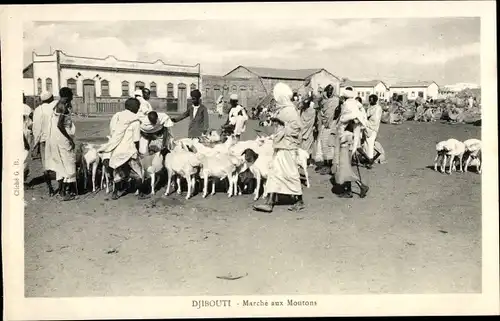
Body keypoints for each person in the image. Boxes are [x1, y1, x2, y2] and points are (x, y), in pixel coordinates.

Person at [253, 82, 305, 213]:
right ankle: (269, 201)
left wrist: (281, 123)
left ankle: (299, 200)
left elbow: (296, 128)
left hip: (287, 147)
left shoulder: (290, 110)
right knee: (274, 173)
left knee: (291, 173)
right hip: (281, 146)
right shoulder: (283, 110)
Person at [98, 98, 143, 200]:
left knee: (118, 172)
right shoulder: (135, 121)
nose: (138, 109)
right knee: (139, 173)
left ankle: (115, 192)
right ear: (134, 107)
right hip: (129, 150)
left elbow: (113, 132)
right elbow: (136, 140)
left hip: (117, 149)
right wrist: (138, 151)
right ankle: (140, 193)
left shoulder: (117, 116)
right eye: (137, 107)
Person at [332, 87, 369, 198]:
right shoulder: (356, 106)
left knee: (344, 166)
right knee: (345, 165)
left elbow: (346, 121)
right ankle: (348, 189)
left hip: (345, 139)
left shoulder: (348, 108)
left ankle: (359, 186)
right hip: (349, 139)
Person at [44, 87, 77, 201]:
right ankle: (64, 192)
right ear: (68, 96)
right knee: (68, 163)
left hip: (56, 138)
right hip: (63, 138)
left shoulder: (58, 104)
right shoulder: (63, 107)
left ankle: (62, 190)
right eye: (71, 96)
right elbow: (60, 125)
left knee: (61, 164)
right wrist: (70, 139)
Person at [31, 91, 58, 194]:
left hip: (44, 140)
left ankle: (50, 189)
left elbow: (36, 128)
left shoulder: (38, 110)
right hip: (55, 138)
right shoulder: (55, 107)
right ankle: (62, 188)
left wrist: (35, 143)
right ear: (51, 99)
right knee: (58, 162)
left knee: (45, 164)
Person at [315, 84, 339, 175]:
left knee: (330, 145)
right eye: (328, 90)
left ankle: (330, 165)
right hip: (324, 125)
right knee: (323, 144)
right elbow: (319, 109)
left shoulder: (336, 100)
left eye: (331, 90)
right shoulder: (323, 100)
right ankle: (325, 165)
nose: (329, 91)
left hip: (333, 124)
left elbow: (338, 112)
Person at [363, 94, 383, 163]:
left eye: (372, 100)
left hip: (373, 128)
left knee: (370, 144)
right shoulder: (370, 107)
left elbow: (375, 120)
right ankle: (368, 158)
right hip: (368, 127)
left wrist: (366, 120)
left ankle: (370, 159)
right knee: (366, 144)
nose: (370, 102)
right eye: (370, 100)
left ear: (375, 100)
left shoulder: (378, 108)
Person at [299, 95, 316, 166]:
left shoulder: (302, 111)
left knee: (304, 147)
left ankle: (305, 161)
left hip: (304, 132)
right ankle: (309, 161)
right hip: (309, 131)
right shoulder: (313, 111)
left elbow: (301, 121)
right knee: (309, 147)